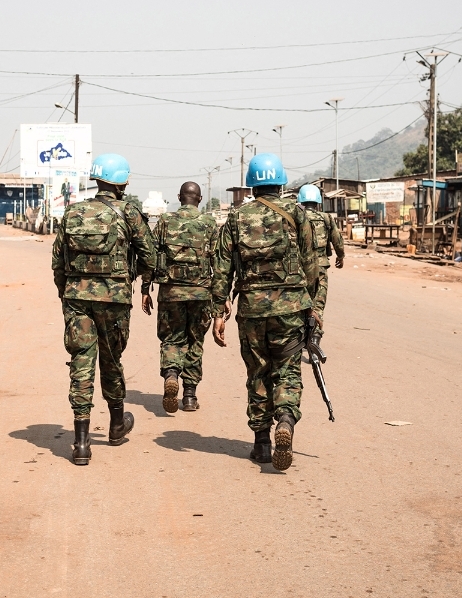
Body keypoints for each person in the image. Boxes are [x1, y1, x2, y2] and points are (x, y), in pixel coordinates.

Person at [211, 153, 320, 471]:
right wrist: (311, 306)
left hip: (252, 311)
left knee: (257, 372)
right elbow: (311, 265)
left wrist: (219, 310)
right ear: (281, 182)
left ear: (252, 185)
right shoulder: (297, 215)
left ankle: (261, 444)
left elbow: (222, 267)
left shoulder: (236, 217)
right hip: (291, 309)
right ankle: (285, 419)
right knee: (286, 371)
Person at [51, 153, 156, 465]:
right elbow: (149, 255)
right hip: (115, 298)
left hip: (76, 298)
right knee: (111, 360)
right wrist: (145, 282)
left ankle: (81, 443)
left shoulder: (72, 211)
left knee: (81, 362)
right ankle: (115, 425)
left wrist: (66, 293)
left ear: (96, 179)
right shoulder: (129, 212)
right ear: (121, 182)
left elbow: (58, 261)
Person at [142, 181, 218, 413]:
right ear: (200, 199)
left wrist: (146, 288)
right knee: (195, 340)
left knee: (172, 338)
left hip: (170, 292)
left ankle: (172, 374)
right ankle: (189, 396)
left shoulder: (166, 221)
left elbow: (150, 255)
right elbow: (219, 261)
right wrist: (220, 298)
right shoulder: (209, 223)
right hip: (201, 292)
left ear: (179, 197)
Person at [297, 184, 344, 321]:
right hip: (320, 268)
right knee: (318, 306)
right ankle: (315, 336)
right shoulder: (326, 218)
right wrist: (340, 257)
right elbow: (338, 241)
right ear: (318, 201)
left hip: (300, 268)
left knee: (300, 304)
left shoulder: (296, 217)